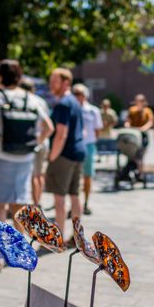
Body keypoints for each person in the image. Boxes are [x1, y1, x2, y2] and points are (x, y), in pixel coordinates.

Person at [0, 60, 53, 243]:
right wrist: (34, 144)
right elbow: (48, 127)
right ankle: (18, 246)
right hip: (25, 158)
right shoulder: (33, 99)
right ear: (19, 77)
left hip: (0, 156)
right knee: (19, 205)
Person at [46, 68, 85, 237]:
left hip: (64, 154)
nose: (51, 84)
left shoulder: (63, 104)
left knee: (59, 198)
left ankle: (58, 237)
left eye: (55, 81)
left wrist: (52, 156)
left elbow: (61, 134)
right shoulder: (75, 102)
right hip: (78, 152)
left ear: (66, 83)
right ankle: (76, 237)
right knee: (75, 195)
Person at [20, 78, 51, 207]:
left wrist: (37, 141)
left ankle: (35, 203)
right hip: (43, 141)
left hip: (35, 141)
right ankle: (38, 201)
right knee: (40, 174)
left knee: (34, 175)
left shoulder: (28, 102)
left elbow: (49, 126)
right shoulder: (41, 101)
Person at [73, 83, 103, 215]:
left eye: (79, 93)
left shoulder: (93, 111)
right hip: (74, 146)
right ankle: (74, 205)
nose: (76, 96)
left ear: (85, 95)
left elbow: (98, 130)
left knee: (87, 176)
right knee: (74, 178)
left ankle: (85, 203)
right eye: (75, 93)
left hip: (88, 145)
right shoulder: (72, 109)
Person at [124, 94, 154, 179]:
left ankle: (140, 174)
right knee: (132, 154)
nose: (138, 102)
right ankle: (131, 171)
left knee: (140, 156)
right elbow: (128, 121)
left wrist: (143, 128)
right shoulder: (132, 110)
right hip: (133, 135)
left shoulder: (147, 111)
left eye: (140, 101)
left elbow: (150, 122)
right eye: (137, 101)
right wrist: (127, 125)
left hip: (142, 135)